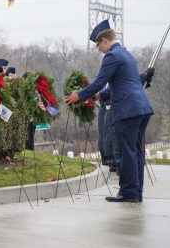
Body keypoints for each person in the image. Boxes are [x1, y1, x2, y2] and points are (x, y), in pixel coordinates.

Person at [64, 19, 154, 203]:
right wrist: (99, 96)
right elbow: (122, 84)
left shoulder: (111, 56)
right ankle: (136, 192)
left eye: (98, 45)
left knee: (127, 150)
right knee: (136, 151)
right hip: (142, 107)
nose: (99, 49)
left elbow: (99, 82)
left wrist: (79, 95)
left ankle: (128, 192)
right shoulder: (127, 54)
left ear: (104, 40)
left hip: (128, 110)